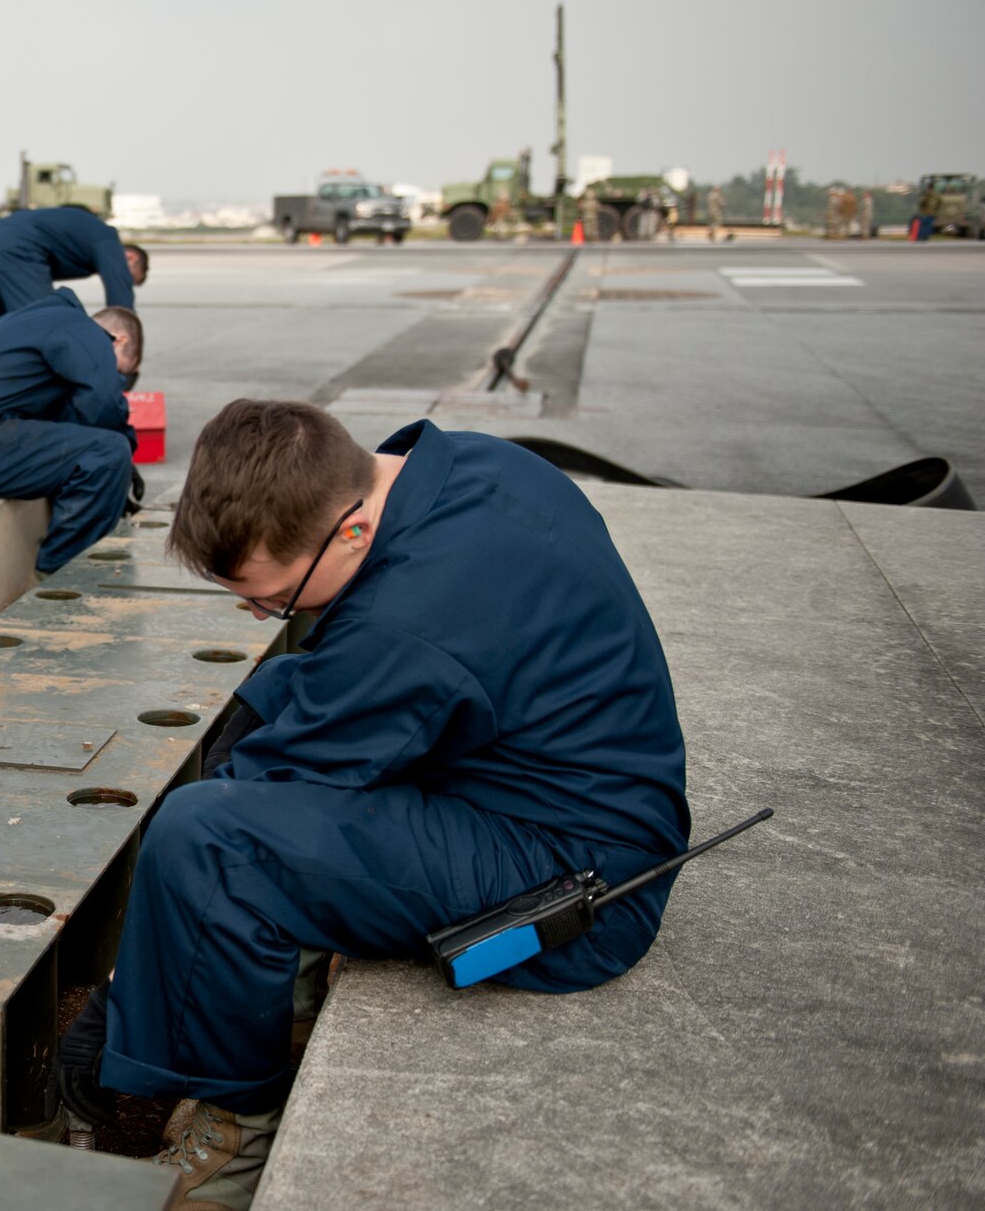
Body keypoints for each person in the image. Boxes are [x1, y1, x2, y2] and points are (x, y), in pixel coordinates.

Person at [56, 400, 689, 1210]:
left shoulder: (406, 625)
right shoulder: (470, 462)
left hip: (575, 885)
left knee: (206, 839)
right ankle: (271, 990)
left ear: (348, 531)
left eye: (272, 598)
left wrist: (121, 999)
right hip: (563, 786)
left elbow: (260, 801)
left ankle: (236, 1134)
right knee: (269, 709)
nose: (260, 614)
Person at [0, 288, 142, 577]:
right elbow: (103, 402)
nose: (121, 381)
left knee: (104, 450)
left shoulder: (40, 322)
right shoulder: (85, 330)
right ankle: (66, 576)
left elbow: (68, 420)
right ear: (120, 340)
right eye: (123, 372)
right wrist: (124, 450)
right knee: (109, 451)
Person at [0, 206, 147, 330]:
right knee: (46, 327)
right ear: (131, 258)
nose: (125, 279)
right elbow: (121, 310)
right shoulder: (109, 240)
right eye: (131, 278)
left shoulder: (84, 237)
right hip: (17, 246)